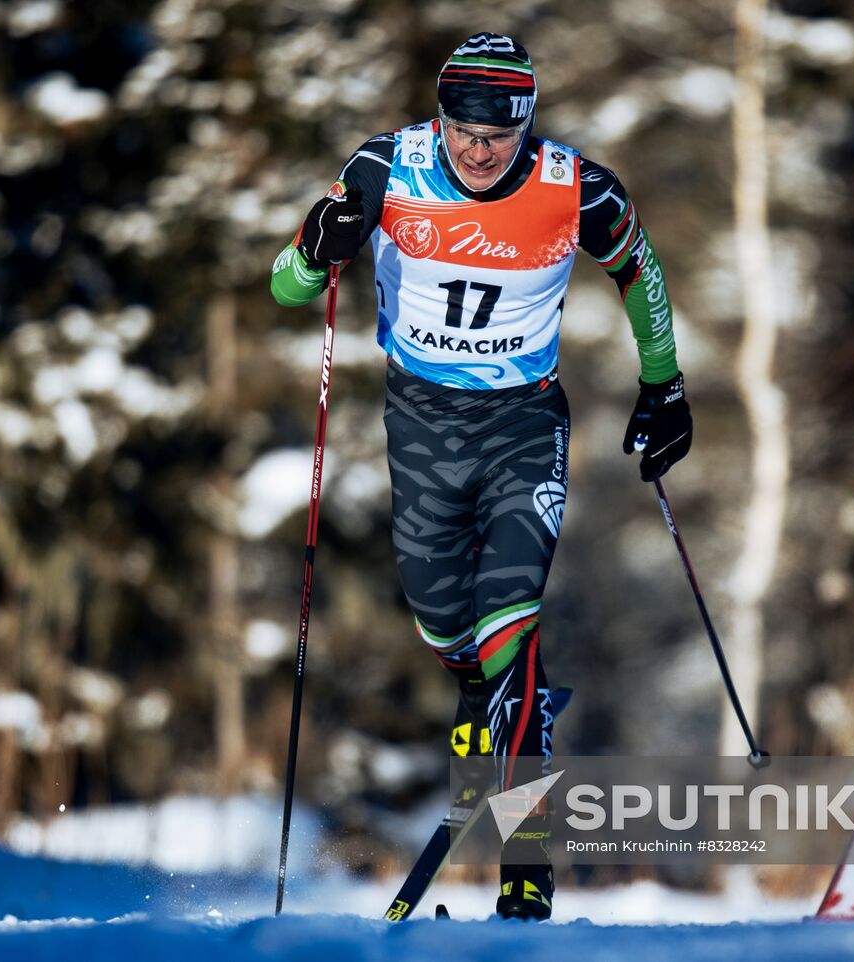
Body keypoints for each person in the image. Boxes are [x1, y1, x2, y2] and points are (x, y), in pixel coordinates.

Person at [269, 31, 691, 921]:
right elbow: (287, 289)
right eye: (463, 130)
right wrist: (320, 243)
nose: (479, 151)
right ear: (441, 116)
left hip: (523, 423)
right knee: (440, 621)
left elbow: (640, 273)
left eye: (499, 135)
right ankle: (494, 694)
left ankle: (526, 871)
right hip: (419, 424)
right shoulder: (388, 169)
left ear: (527, 125)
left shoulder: (576, 188)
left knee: (511, 623)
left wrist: (664, 386)